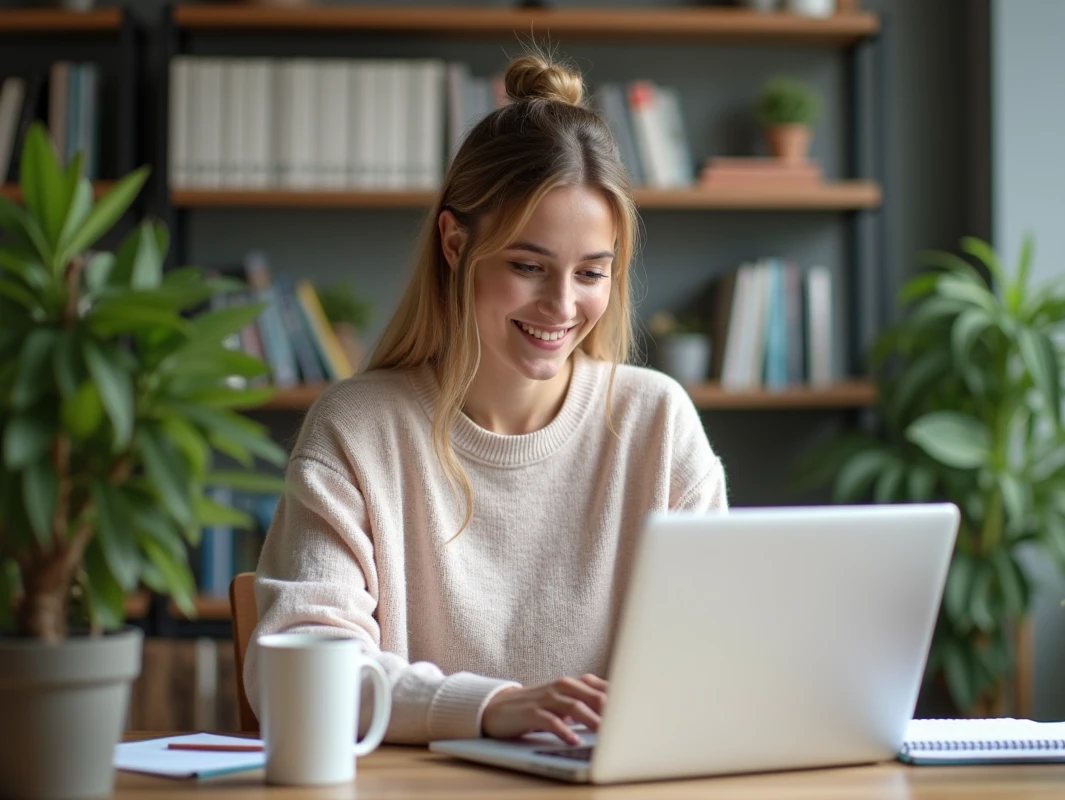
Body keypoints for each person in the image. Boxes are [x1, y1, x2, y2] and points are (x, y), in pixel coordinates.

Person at [244, 51, 728, 747]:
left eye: (591, 272)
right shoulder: (359, 428)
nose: (562, 305)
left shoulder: (656, 421)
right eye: (528, 266)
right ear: (454, 241)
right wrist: (490, 706)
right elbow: (293, 674)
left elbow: (718, 652)